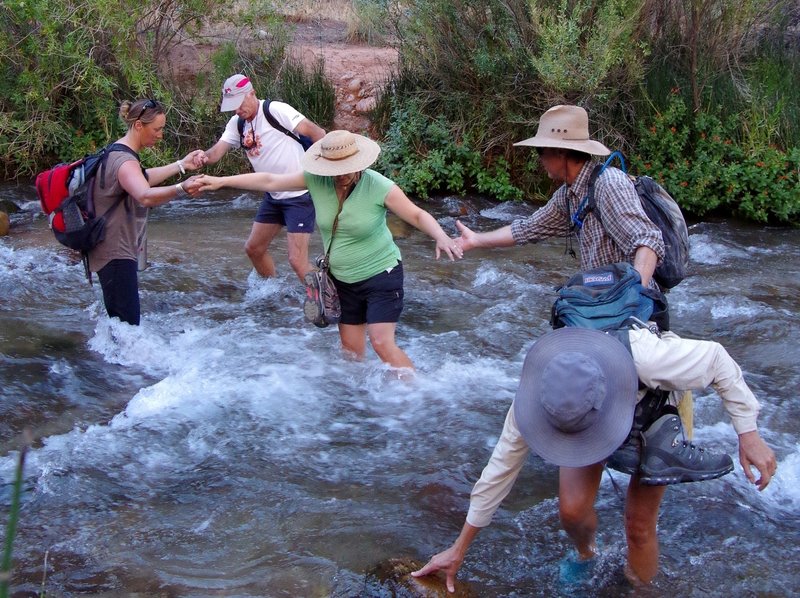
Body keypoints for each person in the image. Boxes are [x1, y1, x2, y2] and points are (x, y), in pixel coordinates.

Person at [412, 327, 777, 590]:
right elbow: (498, 472)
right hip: (587, 407)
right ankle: (586, 555)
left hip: (657, 409)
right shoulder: (541, 394)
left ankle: (642, 589)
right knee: (571, 511)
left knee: (638, 526)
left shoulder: (651, 359)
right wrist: (458, 549)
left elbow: (717, 359)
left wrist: (749, 433)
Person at [197, 130, 462, 370]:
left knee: (381, 343)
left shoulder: (379, 186)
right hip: (342, 281)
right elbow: (269, 180)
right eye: (335, 169)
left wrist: (440, 235)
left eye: (347, 168)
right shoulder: (316, 180)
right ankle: (359, 406)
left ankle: (416, 395)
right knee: (351, 354)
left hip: (382, 274)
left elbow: (416, 215)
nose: (342, 175)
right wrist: (221, 182)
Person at [454, 104, 664, 290]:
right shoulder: (568, 195)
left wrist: (634, 296)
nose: (540, 159)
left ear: (561, 152)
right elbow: (527, 229)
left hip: (633, 312)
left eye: (540, 150)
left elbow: (648, 239)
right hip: (602, 304)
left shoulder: (608, 184)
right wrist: (475, 239)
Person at [87, 98, 207, 326]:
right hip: (115, 252)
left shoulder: (118, 152)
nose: (161, 134)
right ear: (139, 126)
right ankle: (120, 362)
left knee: (120, 323)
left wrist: (182, 165)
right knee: (128, 324)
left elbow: (142, 177)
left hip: (113, 249)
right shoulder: (123, 160)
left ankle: (112, 359)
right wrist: (182, 188)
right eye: (157, 129)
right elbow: (144, 194)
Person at [202, 74, 326, 282]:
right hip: (273, 195)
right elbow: (214, 155)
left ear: (252, 93)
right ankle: (274, 292)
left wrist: (319, 172)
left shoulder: (275, 110)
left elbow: (318, 133)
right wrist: (200, 158)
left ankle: (329, 300)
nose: (237, 110)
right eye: (232, 106)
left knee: (297, 261)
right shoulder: (237, 124)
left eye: (239, 104)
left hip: (300, 195)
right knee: (254, 249)